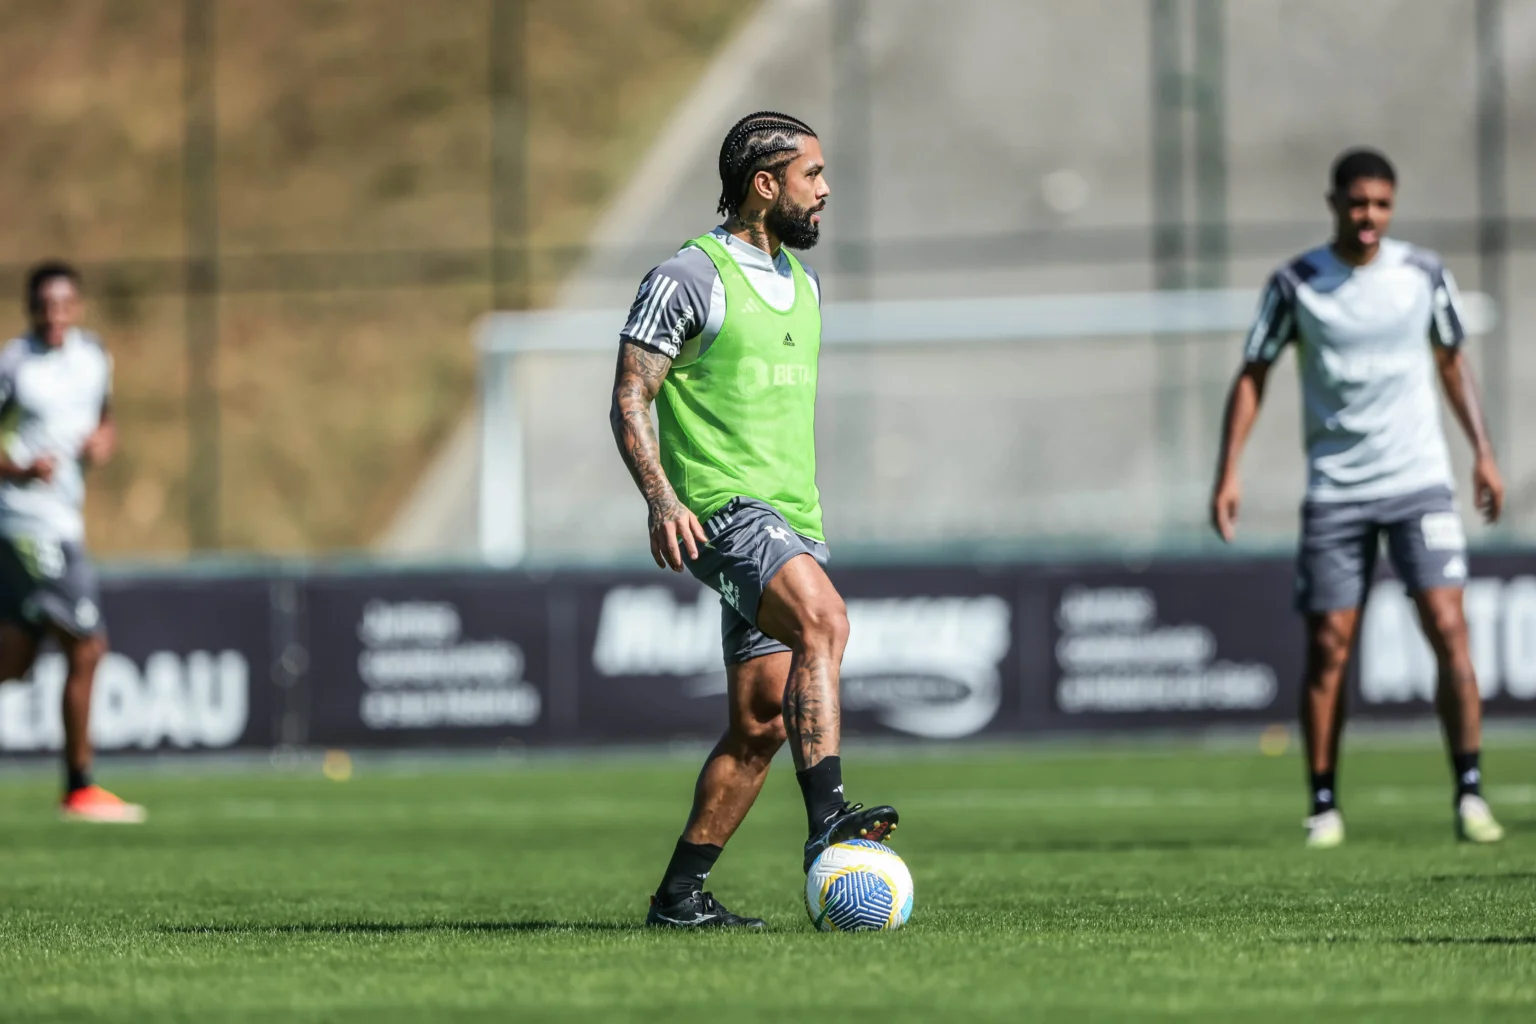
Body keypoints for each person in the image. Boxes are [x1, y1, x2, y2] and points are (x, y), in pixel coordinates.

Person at [609, 111, 897, 928]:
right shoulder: (686, 277)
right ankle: (829, 822)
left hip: (793, 519)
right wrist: (663, 499)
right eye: (813, 175)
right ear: (765, 184)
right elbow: (632, 392)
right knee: (825, 621)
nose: (826, 190)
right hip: (723, 511)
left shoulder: (803, 285)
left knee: (762, 723)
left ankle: (680, 897)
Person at [1211, 148, 1502, 849]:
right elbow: (1253, 372)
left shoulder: (1423, 274)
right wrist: (1228, 471)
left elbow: (1451, 361)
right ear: (1334, 202)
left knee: (1448, 628)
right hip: (1337, 490)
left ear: (1391, 207)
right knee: (1330, 647)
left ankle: (1469, 793)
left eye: (1381, 204)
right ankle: (1323, 806)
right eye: (1356, 203)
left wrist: (1483, 454)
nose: (1368, 216)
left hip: (1419, 483)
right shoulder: (1297, 283)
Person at [0, 261, 143, 823]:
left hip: (65, 520)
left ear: (76, 307)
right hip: (25, 520)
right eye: (43, 306)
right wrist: (17, 470)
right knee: (87, 646)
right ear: (30, 308)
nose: (53, 315)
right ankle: (80, 786)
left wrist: (104, 441)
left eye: (63, 305)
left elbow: (105, 420)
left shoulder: (94, 358)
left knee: (15, 657)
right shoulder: (14, 365)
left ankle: (78, 785)